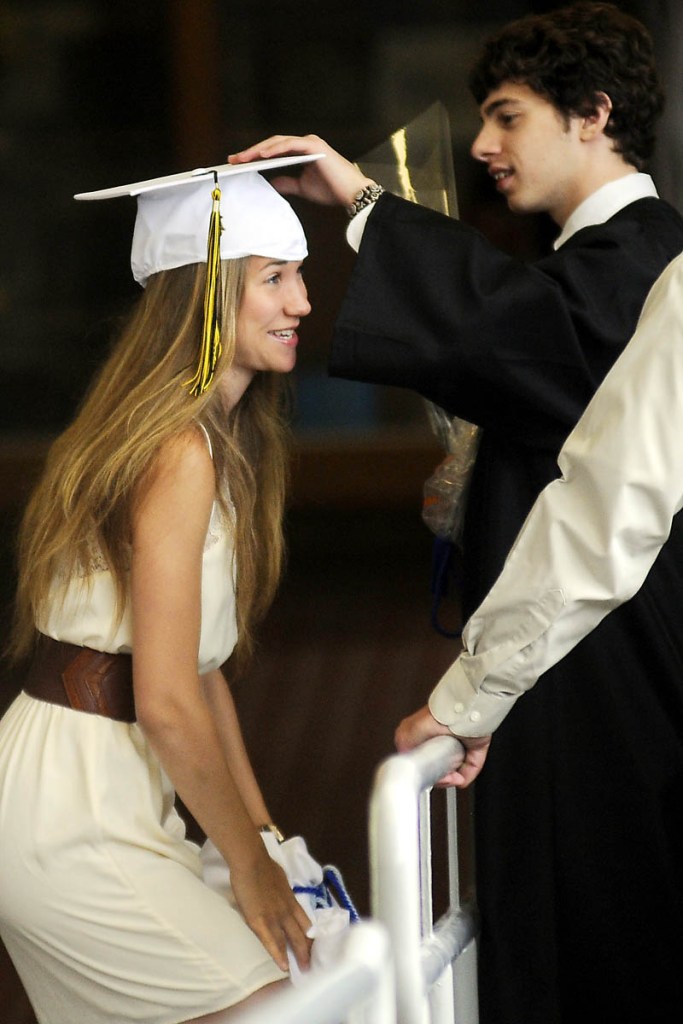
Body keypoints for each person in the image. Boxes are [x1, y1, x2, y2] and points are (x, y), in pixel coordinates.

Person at [229, 4, 683, 1022]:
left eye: (506, 116)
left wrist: (360, 199)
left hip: (608, 672)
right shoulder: (608, 266)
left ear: (590, 114)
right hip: (572, 663)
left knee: (603, 943)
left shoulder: (644, 261)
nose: (481, 148)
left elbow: (518, 346)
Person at [0, 159, 318, 1024]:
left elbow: (201, 675)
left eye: (300, 277)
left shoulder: (217, 444)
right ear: (204, 293)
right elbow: (168, 703)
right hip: (71, 810)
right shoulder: (176, 449)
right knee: (271, 1010)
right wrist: (249, 872)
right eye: (274, 278)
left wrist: (263, 840)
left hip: (104, 794)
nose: (301, 304)